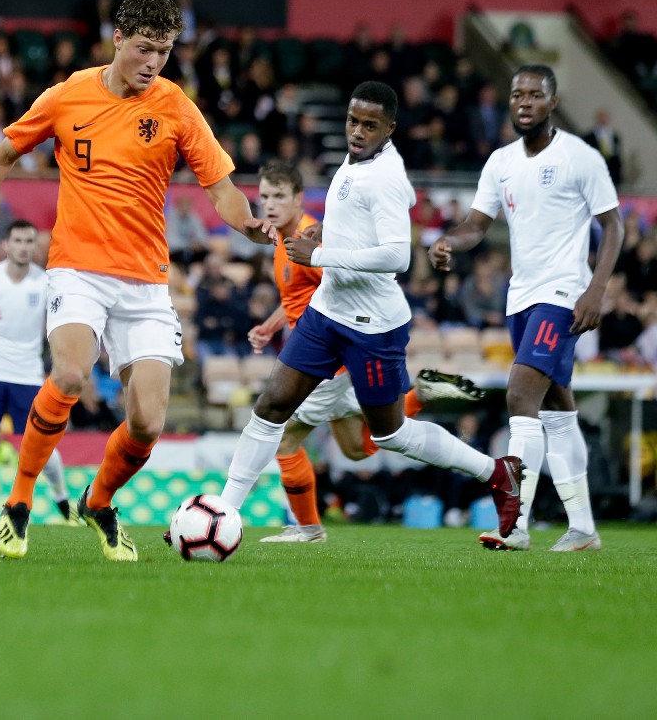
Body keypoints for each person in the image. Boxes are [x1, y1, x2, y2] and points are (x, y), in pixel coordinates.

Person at [0, 0, 275, 562]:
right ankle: (18, 504)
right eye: (144, 48)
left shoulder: (175, 106)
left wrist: (249, 225)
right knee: (70, 374)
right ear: (116, 40)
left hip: (146, 280)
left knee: (147, 423)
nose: (153, 62)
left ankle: (98, 501)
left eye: (164, 52)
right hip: (78, 269)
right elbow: (3, 155)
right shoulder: (68, 95)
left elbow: (220, 189)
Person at [216, 81, 525, 543]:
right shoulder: (357, 160)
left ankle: (496, 472)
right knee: (271, 407)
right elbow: (362, 217)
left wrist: (319, 254)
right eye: (352, 121)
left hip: (371, 326)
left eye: (370, 125)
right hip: (326, 313)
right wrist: (327, 230)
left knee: (388, 436)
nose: (357, 132)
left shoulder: (384, 177)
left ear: (390, 129)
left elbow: (398, 256)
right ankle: (222, 514)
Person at [429, 65, 622, 552]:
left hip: (562, 295)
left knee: (520, 396)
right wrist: (450, 241)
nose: (524, 102)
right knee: (557, 410)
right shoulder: (500, 162)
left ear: (552, 102)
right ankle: (583, 529)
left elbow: (614, 226)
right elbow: (477, 224)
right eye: (518, 94)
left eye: (535, 95)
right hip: (521, 298)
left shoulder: (580, 157)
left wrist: (596, 289)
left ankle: (514, 524)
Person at [245, 160, 484, 543]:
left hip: (324, 360)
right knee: (357, 449)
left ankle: (308, 529)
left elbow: (344, 285)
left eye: (279, 196)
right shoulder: (285, 242)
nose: (269, 205)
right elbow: (298, 298)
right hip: (330, 360)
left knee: (284, 438)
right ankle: (421, 394)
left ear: (298, 198)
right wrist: (271, 326)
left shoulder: (310, 241)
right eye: (264, 197)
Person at [0, 220, 72, 524]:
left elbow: (60, 326)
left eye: (29, 241)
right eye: (17, 240)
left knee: (41, 443)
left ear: (35, 246)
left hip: (27, 375)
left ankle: (61, 497)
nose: (23, 247)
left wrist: (60, 363)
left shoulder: (46, 283)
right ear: (6, 245)